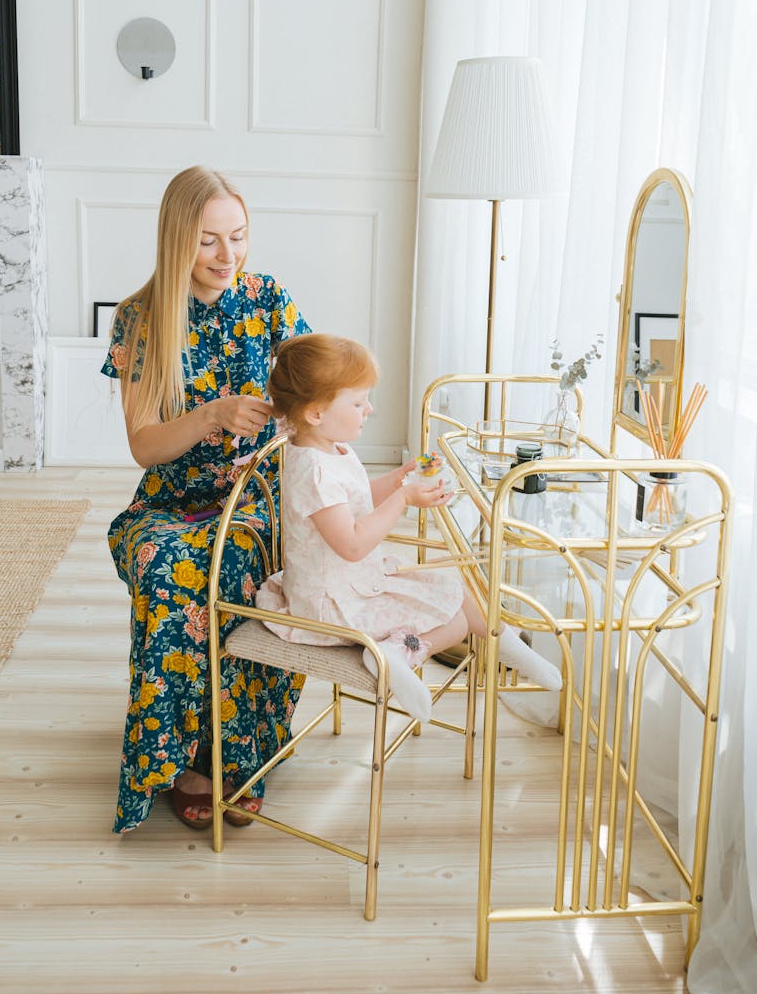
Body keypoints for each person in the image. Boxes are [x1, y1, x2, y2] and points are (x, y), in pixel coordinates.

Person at [101, 165, 310, 832]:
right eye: (209, 241)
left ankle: (231, 749)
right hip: (170, 495)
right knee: (166, 565)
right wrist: (211, 415)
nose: (228, 256)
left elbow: (313, 395)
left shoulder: (268, 299)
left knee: (236, 562)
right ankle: (175, 752)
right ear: (176, 240)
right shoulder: (140, 317)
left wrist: (283, 420)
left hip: (252, 490)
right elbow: (143, 445)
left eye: (238, 237)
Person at [255, 334, 562, 722]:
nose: (370, 409)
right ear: (316, 413)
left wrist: (402, 478)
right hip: (330, 604)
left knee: (459, 590)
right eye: (358, 402)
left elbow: (357, 497)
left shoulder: (329, 449)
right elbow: (351, 544)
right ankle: (399, 652)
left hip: (352, 582)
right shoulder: (313, 471)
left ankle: (507, 643)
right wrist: (403, 499)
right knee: (456, 617)